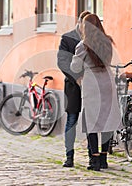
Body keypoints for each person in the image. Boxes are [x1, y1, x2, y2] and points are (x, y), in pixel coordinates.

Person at [70, 14, 121, 171]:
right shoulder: (108, 42)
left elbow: (74, 67)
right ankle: (104, 158)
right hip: (107, 81)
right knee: (107, 119)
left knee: (91, 121)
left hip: (92, 83)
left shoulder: (82, 46)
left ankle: (95, 160)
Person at [57, 10, 91, 167]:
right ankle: (69, 156)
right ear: (79, 23)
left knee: (93, 120)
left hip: (92, 86)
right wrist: (76, 78)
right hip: (73, 86)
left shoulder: (94, 38)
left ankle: (94, 157)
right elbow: (62, 62)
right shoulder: (68, 38)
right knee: (72, 120)